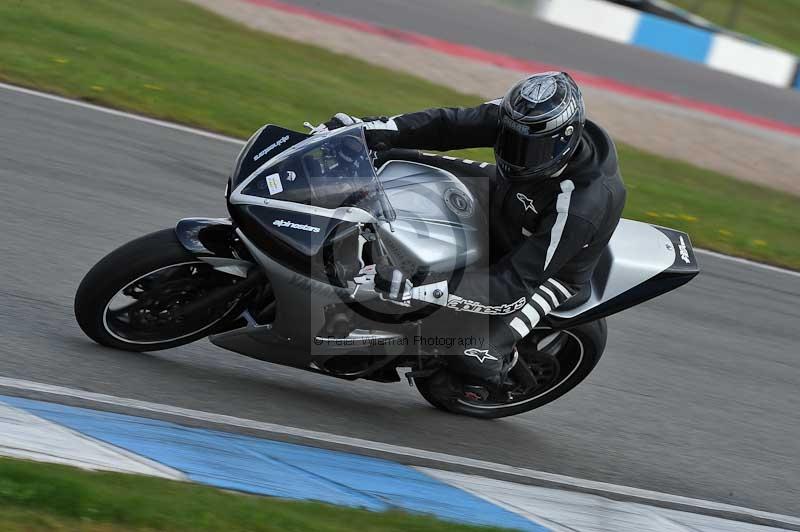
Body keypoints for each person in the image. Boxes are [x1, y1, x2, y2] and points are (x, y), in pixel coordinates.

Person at [324, 72, 626, 394]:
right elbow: (446, 125)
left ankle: (498, 365)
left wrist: (419, 285)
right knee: (390, 160)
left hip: (546, 274)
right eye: (512, 141)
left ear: (565, 140)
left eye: (531, 151)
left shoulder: (582, 202)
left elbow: (514, 283)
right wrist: (365, 130)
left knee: (472, 357)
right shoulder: (518, 118)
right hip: (503, 197)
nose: (517, 154)